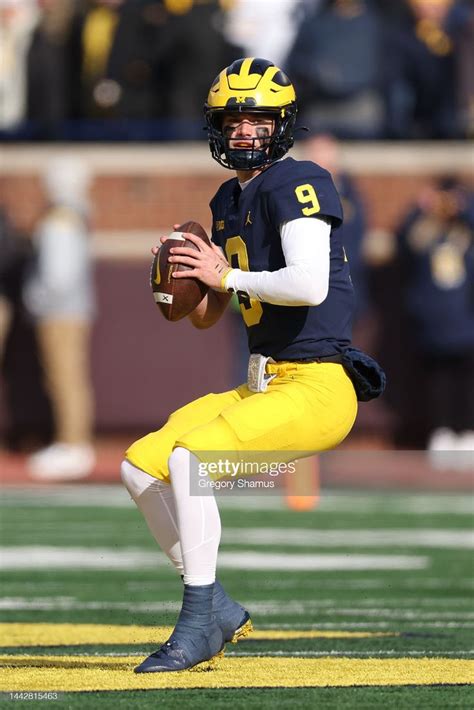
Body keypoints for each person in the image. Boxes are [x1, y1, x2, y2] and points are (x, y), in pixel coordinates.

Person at [121, 57, 383, 673]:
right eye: (232, 117)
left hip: (318, 385)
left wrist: (226, 272)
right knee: (141, 466)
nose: (243, 129)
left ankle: (196, 619)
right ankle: (217, 606)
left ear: (282, 123)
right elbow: (215, 313)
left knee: (191, 462)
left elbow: (309, 283)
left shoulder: (301, 180)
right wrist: (190, 283)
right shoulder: (228, 197)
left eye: (257, 117)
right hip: (262, 382)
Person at [24, 154, 96, 480]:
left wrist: (35, 299)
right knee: (66, 378)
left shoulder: (60, 220)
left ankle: (73, 444)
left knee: (65, 378)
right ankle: (72, 443)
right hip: (71, 309)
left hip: (60, 312)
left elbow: (57, 274)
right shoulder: (76, 215)